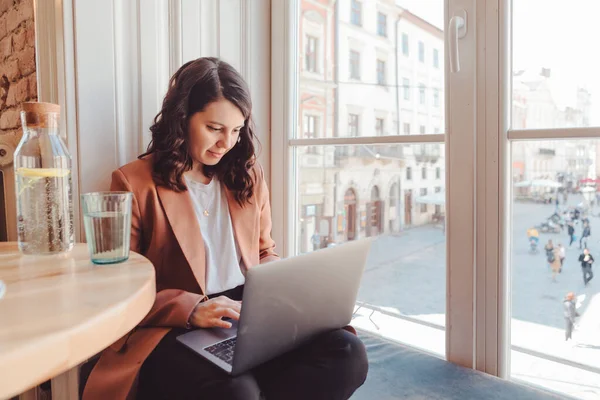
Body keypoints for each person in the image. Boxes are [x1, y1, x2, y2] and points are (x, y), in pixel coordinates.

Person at [81, 58, 368, 400]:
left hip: (249, 312)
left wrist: (294, 295)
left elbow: (264, 252)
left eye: (236, 130)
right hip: (173, 325)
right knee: (236, 391)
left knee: (348, 353)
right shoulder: (134, 183)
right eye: (215, 128)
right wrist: (191, 309)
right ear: (182, 118)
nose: (226, 143)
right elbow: (118, 289)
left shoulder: (246, 175)